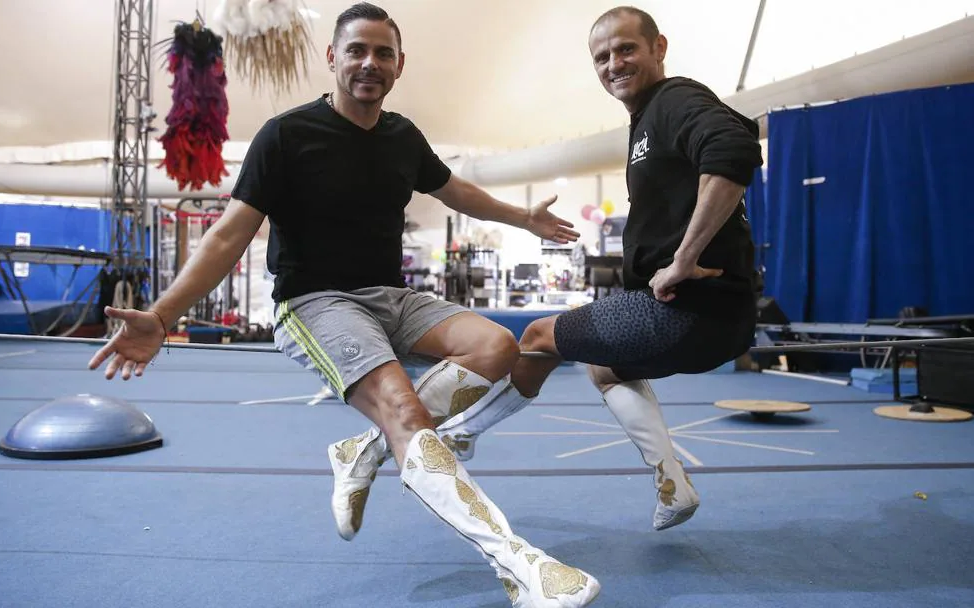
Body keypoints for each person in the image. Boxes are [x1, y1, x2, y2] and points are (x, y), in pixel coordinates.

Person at [87, 3, 601, 606]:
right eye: (356, 50)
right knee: (403, 411)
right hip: (315, 301)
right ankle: (520, 566)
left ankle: (365, 449)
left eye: (383, 53)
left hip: (392, 295)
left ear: (400, 64)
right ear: (332, 57)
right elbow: (229, 233)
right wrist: (163, 314)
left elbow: (453, 188)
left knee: (497, 346)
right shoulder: (286, 136)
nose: (369, 63)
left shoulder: (402, 136)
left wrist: (522, 217)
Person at [333, 5, 763, 536]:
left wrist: (683, 258)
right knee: (604, 364)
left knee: (537, 335)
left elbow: (735, 149)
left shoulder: (676, 99)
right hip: (716, 323)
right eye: (601, 56)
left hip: (690, 312)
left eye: (626, 49)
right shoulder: (645, 120)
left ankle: (462, 432)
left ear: (659, 48)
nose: (614, 64)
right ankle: (672, 482)